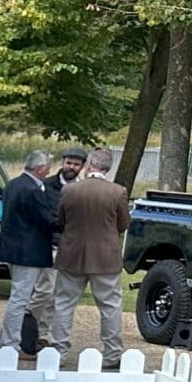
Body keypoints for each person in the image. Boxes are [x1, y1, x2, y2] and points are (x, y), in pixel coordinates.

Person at [50, 150, 131, 356]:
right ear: (108, 169)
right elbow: (123, 224)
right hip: (105, 256)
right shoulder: (118, 192)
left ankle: (59, 349)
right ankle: (112, 352)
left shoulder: (69, 190)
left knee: (64, 303)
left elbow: (61, 221)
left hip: (72, 253)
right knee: (110, 306)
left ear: (89, 166)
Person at [0, 151, 57, 354]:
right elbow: (46, 220)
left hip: (12, 248)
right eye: (47, 167)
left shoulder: (13, 184)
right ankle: (10, 343)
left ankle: (9, 340)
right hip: (28, 252)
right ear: (40, 169)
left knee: (18, 296)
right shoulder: (32, 190)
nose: (49, 171)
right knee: (20, 298)